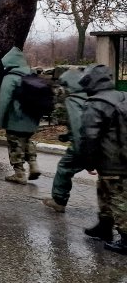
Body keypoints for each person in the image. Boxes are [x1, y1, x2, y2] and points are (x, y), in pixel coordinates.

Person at [77, 64, 127, 254]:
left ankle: (126, 238)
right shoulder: (124, 96)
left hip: (112, 161)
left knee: (117, 197)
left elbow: (89, 137)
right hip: (120, 156)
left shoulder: (95, 104)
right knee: (105, 191)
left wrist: (88, 162)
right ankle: (104, 226)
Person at [42, 69, 87, 212]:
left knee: (64, 168)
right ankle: (108, 215)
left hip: (83, 145)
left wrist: (82, 151)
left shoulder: (73, 100)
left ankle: (59, 200)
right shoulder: (88, 95)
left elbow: (78, 124)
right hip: (101, 142)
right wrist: (67, 136)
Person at [0, 47, 41, 185]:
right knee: (27, 140)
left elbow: (4, 100)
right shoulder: (32, 74)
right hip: (32, 118)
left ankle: (19, 173)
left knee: (14, 144)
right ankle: (33, 165)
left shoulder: (10, 77)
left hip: (15, 118)